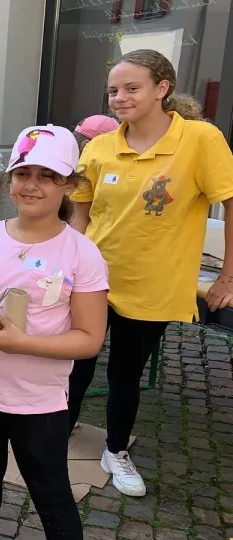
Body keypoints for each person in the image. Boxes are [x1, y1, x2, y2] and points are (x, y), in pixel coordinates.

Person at [68, 48, 233, 498]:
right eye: (113, 91)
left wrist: (227, 277)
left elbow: (229, 203)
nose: (119, 98)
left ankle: (115, 450)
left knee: (125, 373)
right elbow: (80, 216)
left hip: (152, 286)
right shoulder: (99, 147)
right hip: (93, 280)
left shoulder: (200, 139)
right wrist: (66, 269)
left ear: (162, 88)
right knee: (75, 365)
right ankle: (57, 433)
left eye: (131, 88)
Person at [0, 124, 109, 540]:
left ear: (69, 185)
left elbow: (89, 339)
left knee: (51, 494)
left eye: (47, 176)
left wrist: (24, 344)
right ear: (10, 179)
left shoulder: (82, 253)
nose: (32, 185)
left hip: (39, 403)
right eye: (22, 173)